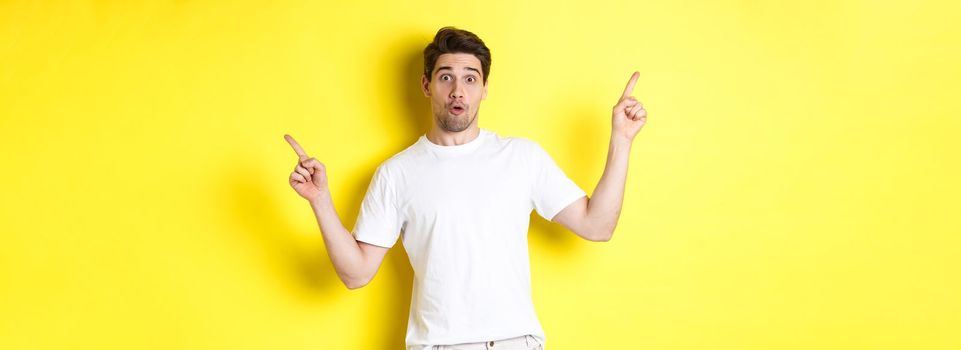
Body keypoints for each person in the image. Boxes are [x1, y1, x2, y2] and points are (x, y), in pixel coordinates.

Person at [284, 26, 647, 350]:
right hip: (439, 345)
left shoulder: (521, 157)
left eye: (470, 79)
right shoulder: (396, 174)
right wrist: (320, 201)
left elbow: (597, 226)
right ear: (426, 85)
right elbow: (356, 273)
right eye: (446, 77)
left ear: (485, 88)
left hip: (514, 342)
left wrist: (622, 140)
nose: (458, 91)